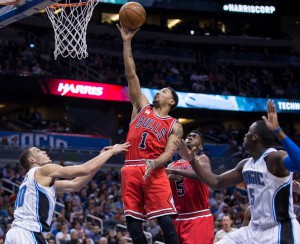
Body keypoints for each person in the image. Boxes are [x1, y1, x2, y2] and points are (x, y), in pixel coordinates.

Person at [174, 99, 300, 243]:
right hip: (254, 229)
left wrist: (278, 130)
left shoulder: (274, 158)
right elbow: (216, 181)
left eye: (248, 132)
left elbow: (299, 162)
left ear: (255, 137)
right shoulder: (245, 164)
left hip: (279, 229)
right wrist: (191, 160)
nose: (244, 135)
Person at [117, 24, 183, 244]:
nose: (159, 92)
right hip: (131, 165)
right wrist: (127, 43)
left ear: (171, 101)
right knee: (133, 222)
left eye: (164, 91)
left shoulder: (174, 124)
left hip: (154, 168)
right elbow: (131, 74)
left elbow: (170, 152)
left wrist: (155, 164)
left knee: (165, 220)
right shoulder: (141, 106)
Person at [5, 143, 130, 243]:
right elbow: (84, 169)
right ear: (32, 159)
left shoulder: (32, 180)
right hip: (27, 232)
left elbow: (75, 184)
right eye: (38, 151)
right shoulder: (44, 170)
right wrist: (111, 151)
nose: (44, 152)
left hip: (18, 233)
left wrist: (100, 158)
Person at [166, 130, 214, 244]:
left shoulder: (201, 159)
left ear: (200, 146)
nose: (190, 136)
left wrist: (175, 172)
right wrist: (166, 180)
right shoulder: (172, 165)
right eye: (189, 135)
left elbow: (205, 176)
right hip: (177, 218)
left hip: (198, 217)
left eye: (195, 136)